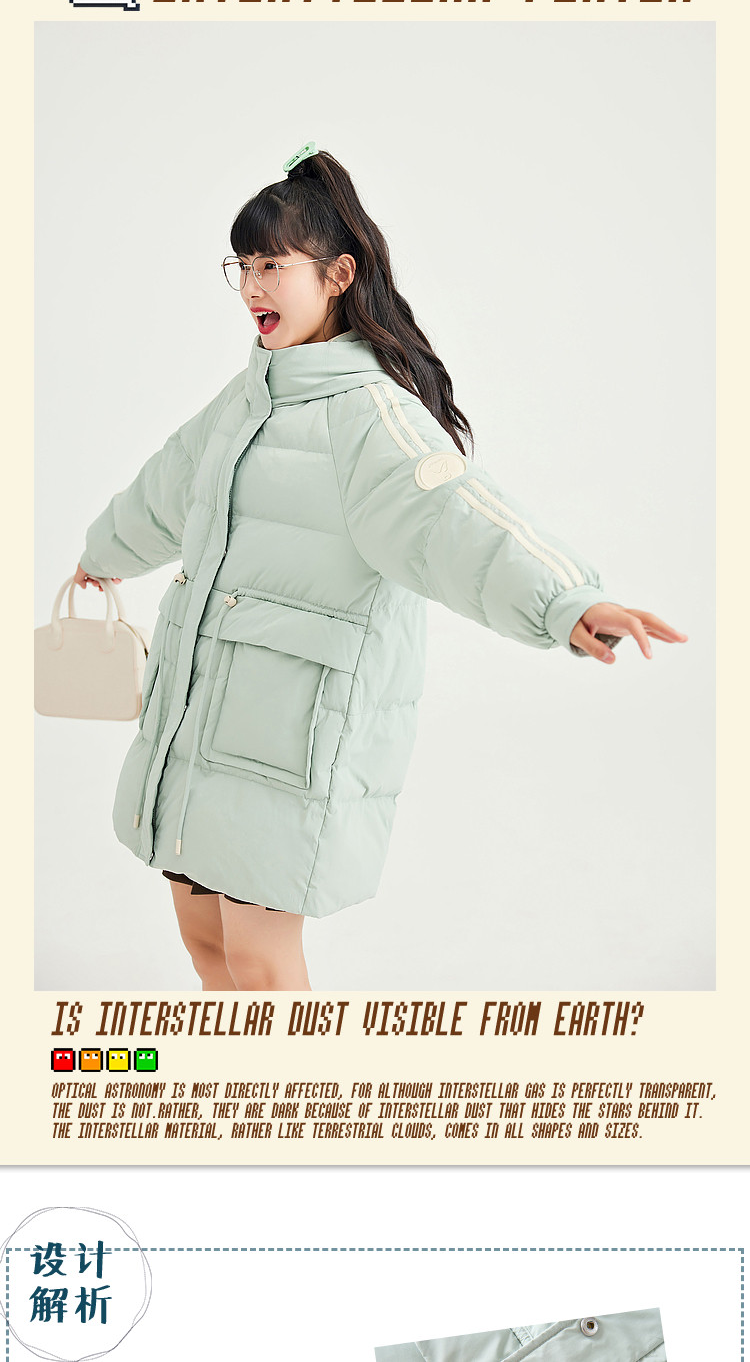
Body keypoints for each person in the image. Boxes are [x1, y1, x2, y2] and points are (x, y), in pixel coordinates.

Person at [76, 142, 688, 992]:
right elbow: (168, 487)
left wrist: (568, 603)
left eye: (273, 264)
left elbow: (457, 518)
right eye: (243, 265)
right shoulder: (249, 399)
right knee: (206, 944)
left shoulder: (370, 417)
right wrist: (102, 555)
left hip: (286, 740)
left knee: (260, 961)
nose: (252, 285)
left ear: (338, 276)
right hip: (197, 722)